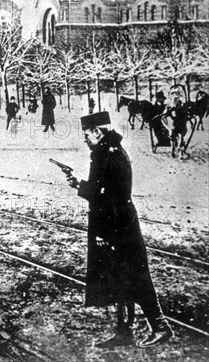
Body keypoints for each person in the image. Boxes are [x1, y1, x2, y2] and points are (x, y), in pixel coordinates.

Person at [65, 111, 173, 348]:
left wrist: (105, 232)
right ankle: (125, 332)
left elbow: (110, 196)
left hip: (118, 225)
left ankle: (161, 327)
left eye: (86, 135)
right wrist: (80, 184)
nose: (84, 139)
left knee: (136, 276)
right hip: (120, 222)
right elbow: (101, 190)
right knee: (122, 277)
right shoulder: (107, 151)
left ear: (97, 132)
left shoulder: (108, 155)